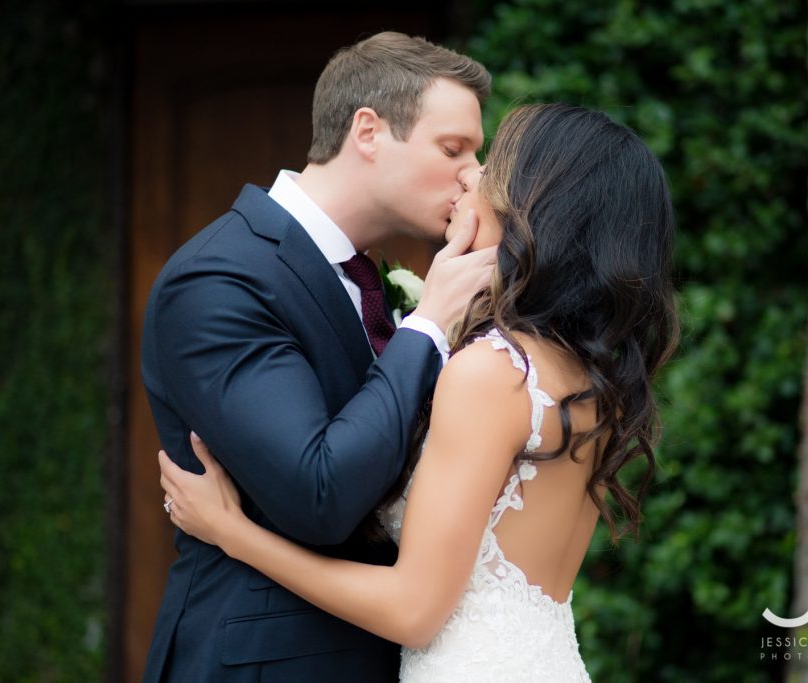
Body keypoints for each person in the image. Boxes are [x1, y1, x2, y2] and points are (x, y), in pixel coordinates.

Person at [159, 103, 680, 682]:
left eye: (492, 167)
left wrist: (234, 533)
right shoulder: (588, 376)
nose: (470, 176)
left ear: (535, 205)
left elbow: (413, 611)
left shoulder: (491, 372)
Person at [140, 32, 496, 683]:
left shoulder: (377, 282)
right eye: (454, 149)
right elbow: (319, 492)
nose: (474, 175)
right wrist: (430, 322)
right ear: (367, 131)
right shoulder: (220, 277)